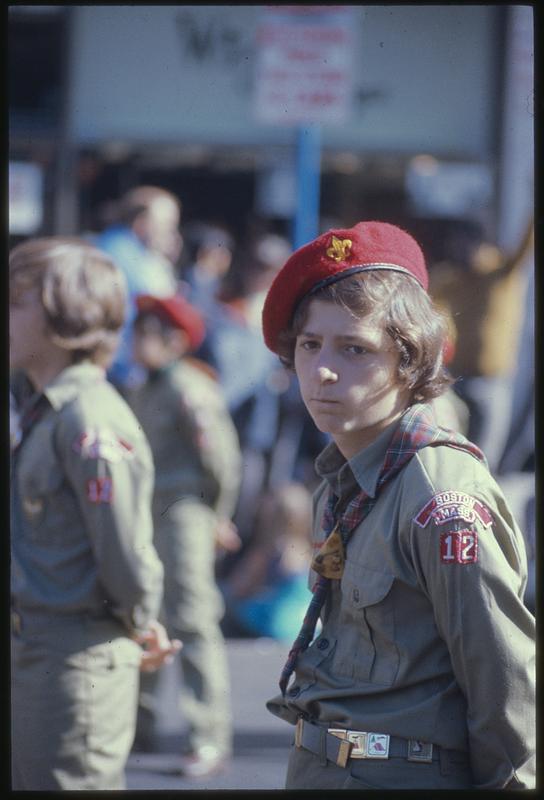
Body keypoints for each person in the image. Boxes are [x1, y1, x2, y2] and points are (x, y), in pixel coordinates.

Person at [260, 221, 535, 790]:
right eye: (310, 344)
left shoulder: (440, 493)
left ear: (408, 358)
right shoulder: (344, 477)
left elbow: (503, 686)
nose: (323, 370)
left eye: (355, 348)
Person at [9, 237, 181, 791]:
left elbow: (125, 555)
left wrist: (141, 621)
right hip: (35, 652)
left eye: (16, 303)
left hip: (73, 660)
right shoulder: (41, 407)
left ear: (68, 318)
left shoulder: (88, 419)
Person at [125, 293, 242, 778]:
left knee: (192, 618)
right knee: (144, 613)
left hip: (184, 511)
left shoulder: (190, 387)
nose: (137, 343)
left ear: (174, 342)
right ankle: (141, 725)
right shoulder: (143, 388)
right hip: (148, 513)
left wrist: (218, 516)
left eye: (149, 334)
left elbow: (221, 460)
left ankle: (208, 735)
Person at [94, 185, 182, 389]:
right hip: (119, 372)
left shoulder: (109, 244)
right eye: (167, 224)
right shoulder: (126, 255)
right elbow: (163, 297)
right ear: (140, 222)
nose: (172, 233)